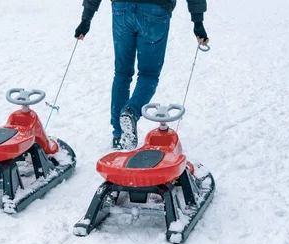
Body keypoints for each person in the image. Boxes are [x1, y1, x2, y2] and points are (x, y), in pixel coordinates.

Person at [74, 0, 209, 150]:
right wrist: (198, 21)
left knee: (122, 73)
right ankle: (131, 112)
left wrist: (86, 19)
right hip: (155, 10)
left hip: (122, 9)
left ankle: (119, 135)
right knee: (148, 74)